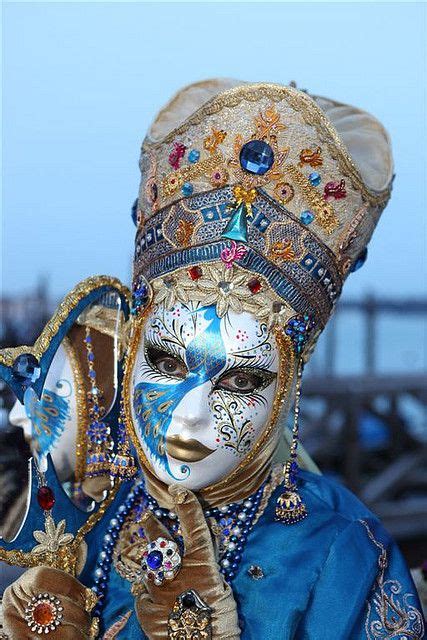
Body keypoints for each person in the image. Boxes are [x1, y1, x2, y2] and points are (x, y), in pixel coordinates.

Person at [1, 79, 424, 639]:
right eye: (167, 363)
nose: (191, 412)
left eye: (241, 379)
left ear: (285, 389)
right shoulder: (95, 516)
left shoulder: (339, 557)